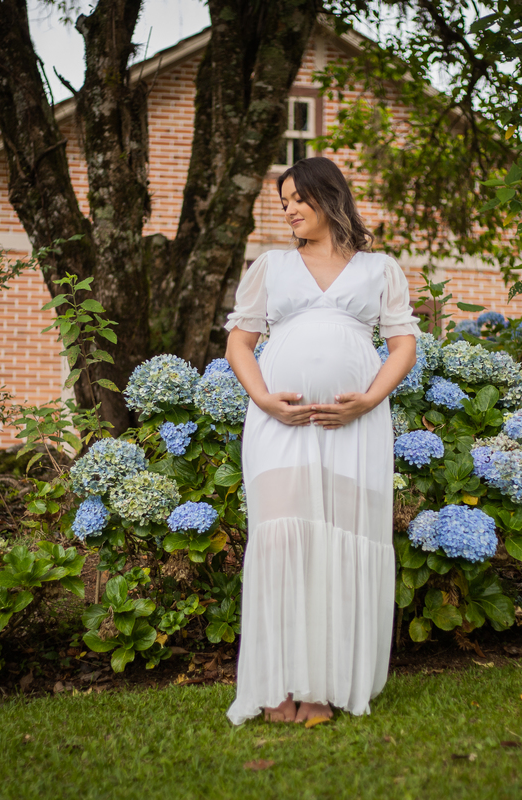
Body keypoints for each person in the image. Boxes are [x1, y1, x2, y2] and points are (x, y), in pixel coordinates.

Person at [223, 157, 419, 725]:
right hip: (278, 428)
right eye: (282, 202)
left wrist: (369, 398)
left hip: (354, 428)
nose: (288, 210)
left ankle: (321, 690)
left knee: (338, 546)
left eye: (296, 200)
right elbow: (240, 343)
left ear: (328, 197)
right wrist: (262, 399)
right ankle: (277, 688)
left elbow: (402, 344)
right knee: (283, 544)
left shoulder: (379, 269)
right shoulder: (272, 266)